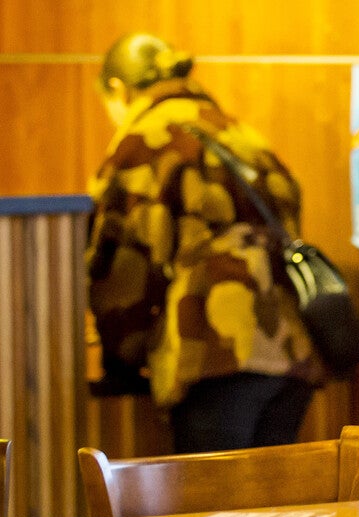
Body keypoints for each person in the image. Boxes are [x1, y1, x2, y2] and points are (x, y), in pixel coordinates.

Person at [86, 33, 325, 453]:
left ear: (118, 90)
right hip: (291, 351)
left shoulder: (143, 142)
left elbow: (123, 272)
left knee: (212, 514)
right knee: (278, 512)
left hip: (213, 354)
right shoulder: (238, 132)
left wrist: (123, 356)